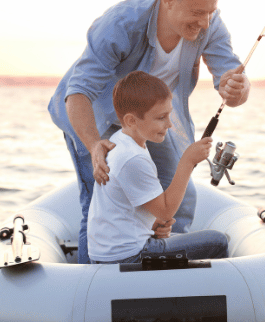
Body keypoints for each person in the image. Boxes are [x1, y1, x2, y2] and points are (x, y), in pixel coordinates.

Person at [48, 0, 250, 263]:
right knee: (97, 204)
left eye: (210, 12)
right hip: (94, 116)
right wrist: (93, 145)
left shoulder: (210, 25)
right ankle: (95, 286)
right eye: (197, 12)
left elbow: (234, 82)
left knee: (178, 197)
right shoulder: (121, 24)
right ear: (169, 0)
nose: (205, 22)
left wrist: (236, 90)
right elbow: (79, 92)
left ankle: (164, 279)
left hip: (151, 119)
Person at [87, 71, 228, 264]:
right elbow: (166, 211)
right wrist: (188, 160)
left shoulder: (121, 141)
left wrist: (152, 224)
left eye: (169, 115)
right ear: (131, 121)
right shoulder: (133, 158)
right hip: (128, 256)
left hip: (113, 251)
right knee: (217, 241)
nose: (169, 124)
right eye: (161, 117)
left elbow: (127, 206)